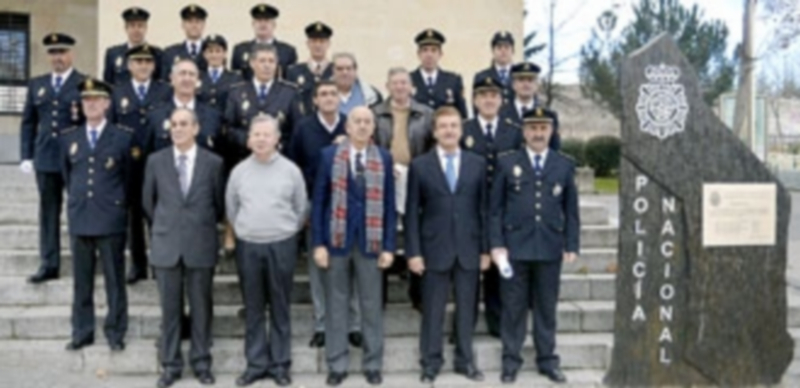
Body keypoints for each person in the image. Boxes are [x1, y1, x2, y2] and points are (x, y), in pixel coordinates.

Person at [489, 107, 580, 384]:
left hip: (550, 247)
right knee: (513, 307)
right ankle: (510, 361)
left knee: (546, 307)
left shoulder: (564, 164)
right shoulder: (507, 162)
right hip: (515, 248)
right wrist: (496, 244)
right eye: (532, 128)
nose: (538, 133)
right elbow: (495, 209)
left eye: (543, 128)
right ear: (524, 132)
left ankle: (547, 361)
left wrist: (571, 243)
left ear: (551, 131)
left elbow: (571, 210)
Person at [312, 107, 396, 386]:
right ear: (347, 127)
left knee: (371, 305)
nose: (362, 126)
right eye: (356, 121)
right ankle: (337, 364)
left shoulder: (383, 158)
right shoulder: (328, 156)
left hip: (370, 243)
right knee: (336, 304)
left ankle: (372, 364)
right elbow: (319, 203)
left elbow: (389, 207)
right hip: (336, 242)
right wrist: (319, 244)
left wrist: (388, 246)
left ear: (373, 127)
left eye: (367, 122)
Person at [405, 107, 489, 383]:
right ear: (435, 131)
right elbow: (412, 212)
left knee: (467, 309)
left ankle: (466, 362)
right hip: (433, 250)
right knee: (432, 311)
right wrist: (414, 252)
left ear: (461, 130)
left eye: (454, 125)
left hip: (468, 248)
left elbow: (484, 210)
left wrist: (486, 249)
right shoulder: (420, 166)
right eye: (443, 126)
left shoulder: (477, 163)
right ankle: (430, 363)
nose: (449, 130)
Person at [142, 108, 225, 388]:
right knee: (170, 310)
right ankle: (170, 365)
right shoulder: (156, 161)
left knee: (201, 308)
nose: (177, 129)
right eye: (173, 124)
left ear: (196, 128)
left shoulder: (213, 163)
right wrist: (169, 226)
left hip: (200, 244)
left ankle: (202, 363)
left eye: (183, 124)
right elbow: (148, 203)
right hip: (166, 245)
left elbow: (218, 204)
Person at [226, 115, 308, 387]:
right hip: (249, 245)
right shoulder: (238, 172)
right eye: (256, 134)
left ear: (277, 139)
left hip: (281, 244)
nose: (261, 139)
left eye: (267, 134)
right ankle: (256, 364)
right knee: (253, 308)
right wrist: (246, 231)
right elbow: (231, 208)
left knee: (280, 306)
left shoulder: (291, 171)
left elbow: (301, 208)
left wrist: (284, 231)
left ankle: (280, 365)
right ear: (249, 140)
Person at [60, 78, 136, 352]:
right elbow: (69, 177)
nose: (91, 104)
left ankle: (115, 332)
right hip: (81, 217)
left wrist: (116, 204)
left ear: (106, 103)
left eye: (96, 99)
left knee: (115, 281)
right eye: (86, 100)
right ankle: (82, 331)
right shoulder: (70, 138)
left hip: (110, 217)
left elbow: (128, 178)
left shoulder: (123, 136)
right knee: (82, 282)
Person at [287, 80, 357, 350]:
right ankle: (321, 325)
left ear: (340, 98)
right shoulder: (304, 127)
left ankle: (354, 325)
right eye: (323, 94)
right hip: (315, 204)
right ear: (314, 100)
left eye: (333, 93)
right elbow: (292, 168)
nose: (328, 98)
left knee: (350, 268)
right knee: (319, 268)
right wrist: (301, 206)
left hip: (350, 206)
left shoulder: (351, 125)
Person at [19, 33, 86, 283]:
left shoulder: (83, 83)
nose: (58, 57)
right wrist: (26, 155)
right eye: (53, 52)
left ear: (71, 54)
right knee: (48, 212)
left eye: (62, 52)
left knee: (78, 209)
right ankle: (49, 263)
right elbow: (28, 122)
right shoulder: (38, 84)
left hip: (75, 158)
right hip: (46, 157)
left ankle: (82, 261)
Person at [461, 76, 523, 338]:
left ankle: (497, 322)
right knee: (470, 268)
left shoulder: (514, 131)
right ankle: (466, 323)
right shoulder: (464, 129)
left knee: (499, 264)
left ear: (501, 100)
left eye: (493, 96)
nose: (488, 100)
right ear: (474, 100)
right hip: (468, 206)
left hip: (503, 208)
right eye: (483, 95)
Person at [371, 66, 434, 311]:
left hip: (416, 178)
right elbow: (370, 145)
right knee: (385, 234)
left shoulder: (425, 114)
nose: (400, 87)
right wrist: (384, 167)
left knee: (415, 234)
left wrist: (422, 170)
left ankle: (417, 293)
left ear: (412, 87)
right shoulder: (375, 114)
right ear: (387, 86)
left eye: (404, 83)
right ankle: (380, 295)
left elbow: (432, 145)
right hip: (386, 179)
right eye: (395, 83)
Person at [109, 44, 172, 285]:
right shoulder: (118, 92)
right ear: (129, 66)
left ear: (154, 66)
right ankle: (138, 264)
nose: (143, 66)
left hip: (159, 159)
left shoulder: (165, 90)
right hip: (130, 163)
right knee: (134, 214)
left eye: (147, 62)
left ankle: (159, 262)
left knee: (159, 213)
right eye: (138, 62)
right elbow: (113, 128)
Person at [224, 44, 300, 160]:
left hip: (279, 157)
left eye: (271, 61)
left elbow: (296, 129)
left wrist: (275, 143)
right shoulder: (236, 92)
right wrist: (249, 140)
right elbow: (228, 127)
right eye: (262, 61)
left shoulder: (290, 92)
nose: (267, 66)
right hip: (244, 157)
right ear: (252, 63)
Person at [147, 59, 222, 155]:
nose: (187, 78)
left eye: (192, 74)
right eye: (182, 73)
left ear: (198, 81)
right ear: (172, 79)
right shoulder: (155, 115)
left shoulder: (213, 115)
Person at [500, 62, 561, 150]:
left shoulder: (549, 116)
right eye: (521, 80)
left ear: (536, 85)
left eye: (530, 80)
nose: (526, 84)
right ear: (513, 85)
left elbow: (554, 151)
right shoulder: (500, 114)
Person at [409, 29, 468, 118]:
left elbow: (462, 115)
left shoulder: (453, 80)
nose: (429, 55)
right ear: (418, 54)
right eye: (425, 50)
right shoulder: (408, 79)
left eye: (433, 50)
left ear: (440, 54)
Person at [231, 4, 297, 80]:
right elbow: (235, 80)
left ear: (274, 25)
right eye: (259, 20)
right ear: (253, 24)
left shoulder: (287, 51)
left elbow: (290, 81)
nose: (263, 24)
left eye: (266, 20)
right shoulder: (240, 50)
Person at [285, 22, 335, 117]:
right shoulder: (294, 71)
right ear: (308, 44)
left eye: (322, 41)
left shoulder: (336, 71)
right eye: (314, 41)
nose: (318, 45)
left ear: (328, 44)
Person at [103, 7, 163, 85]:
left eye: (140, 26)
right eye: (132, 26)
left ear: (146, 28)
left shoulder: (157, 53)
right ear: (126, 28)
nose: (136, 30)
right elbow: (108, 83)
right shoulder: (113, 53)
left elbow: (160, 83)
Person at [161, 4, 209, 80]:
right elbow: (165, 82)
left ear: (203, 25)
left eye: (197, 21)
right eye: (190, 21)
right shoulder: (170, 53)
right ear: (183, 25)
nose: (194, 25)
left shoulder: (212, 51)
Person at [197, 34, 243, 114]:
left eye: (218, 51)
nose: (214, 55)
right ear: (204, 55)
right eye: (210, 51)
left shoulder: (235, 78)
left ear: (224, 53)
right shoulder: (197, 77)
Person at [472, 31, 516, 106]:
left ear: (513, 51)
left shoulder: (519, 76)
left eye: (507, 47)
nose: (503, 51)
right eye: (499, 47)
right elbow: (476, 105)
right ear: (493, 51)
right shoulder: (481, 77)